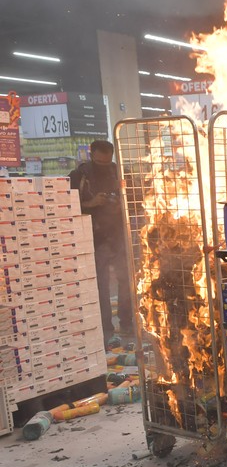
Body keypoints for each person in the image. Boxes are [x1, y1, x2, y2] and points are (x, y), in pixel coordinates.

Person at [70, 140, 134, 345]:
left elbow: (135, 199)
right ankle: (106, 328)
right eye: (100, 162)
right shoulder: (79, 176)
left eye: (107, 162)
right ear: (91, 154)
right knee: (101, 285)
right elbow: (67, 207)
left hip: (119, 236)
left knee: (126, 282)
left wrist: (120, 202)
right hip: (95, 238)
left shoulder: (118, 172)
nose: (104, 166)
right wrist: (91, 203)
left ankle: (127, 323)